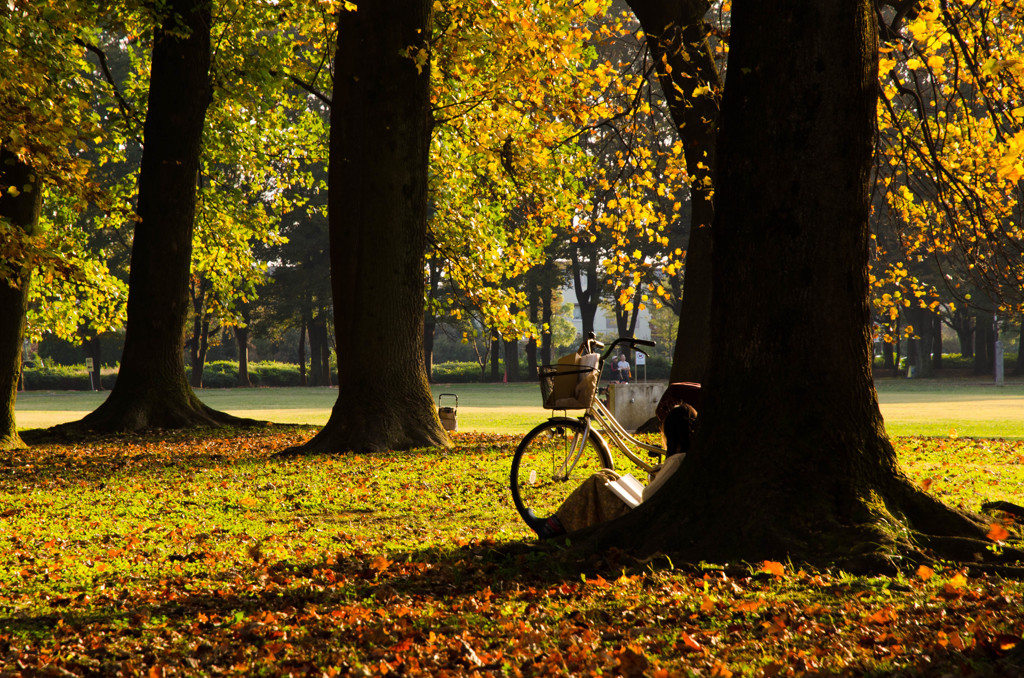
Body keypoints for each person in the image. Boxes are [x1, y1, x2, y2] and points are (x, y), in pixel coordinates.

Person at [527, 403, 698, 538]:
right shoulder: (685, 458)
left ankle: (552, 527)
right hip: (648, 515)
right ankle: (557, 525)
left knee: (598, 481)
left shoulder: (676, 460)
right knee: (609, 474)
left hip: (641, 521)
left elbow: (647, 496)